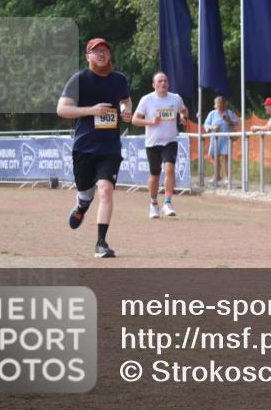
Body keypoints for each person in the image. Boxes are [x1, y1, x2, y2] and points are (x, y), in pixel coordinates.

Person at [57, 38, 132, 258]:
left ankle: (101, 242)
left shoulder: (119, 80)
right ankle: (81, 206)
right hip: (84, 148)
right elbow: (62, 109)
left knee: (106, 190)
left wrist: (126, 110)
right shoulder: (80, 79)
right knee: (85, 192)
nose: (102, 54)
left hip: (109, 148)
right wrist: (91, 111)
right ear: (88, 56)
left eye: (105, 50)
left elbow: (126, 100)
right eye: (96, 51)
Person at [132, 71, 188, 219]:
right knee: (155, 176)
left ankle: (168, 203)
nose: (163, 83)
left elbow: (183, 109)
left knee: (170, 169)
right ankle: (153, 203)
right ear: (154, 84)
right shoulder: (147, 100)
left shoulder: (175, 98)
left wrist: (183, 116)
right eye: (160, 81)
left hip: (170, 141)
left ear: (168, 84)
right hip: (153, 143)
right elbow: (135, 120)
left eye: (165, 81)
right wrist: (150, 122)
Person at [204, 95, 238, 186]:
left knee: (227, 157)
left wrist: (229, 121)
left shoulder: (229, 112)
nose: (220, 104)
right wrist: (212, 127)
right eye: (218, 102)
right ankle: (217, 176)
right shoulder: (212, 113)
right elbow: (206, 125)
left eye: (222, 102)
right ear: (215, 104)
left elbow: (235, 123)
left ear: (225, 103)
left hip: (226, 138)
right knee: (215, 157)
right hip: (215, 138)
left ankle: (227, 178)